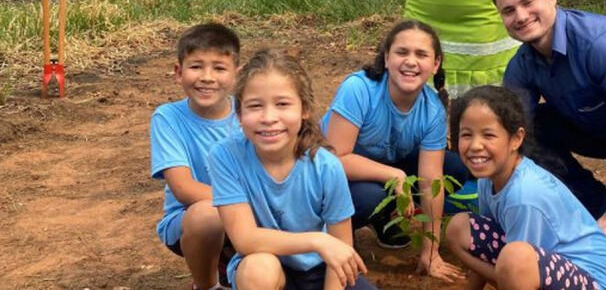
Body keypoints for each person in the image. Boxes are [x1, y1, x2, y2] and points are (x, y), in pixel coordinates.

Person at [493, 0, 606, 253]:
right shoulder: (523, 64)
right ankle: (589, 203)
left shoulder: (603, 46)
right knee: (524, 129)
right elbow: (509, 135)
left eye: (528, 2)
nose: (521, 16)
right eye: (508, 10)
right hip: (595, 131)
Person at [208, 49, 378, 290]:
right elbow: (245, 239)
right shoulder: (225, 156)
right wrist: (317, 240)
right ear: (239, 113)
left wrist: (323, 247)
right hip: (266, 264)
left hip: (321, 268)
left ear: (304, 109)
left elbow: (340, 249)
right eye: (255, 106)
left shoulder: (326, 166)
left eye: (283, 104)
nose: (269, 117)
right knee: (259, 270)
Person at [321, 20, 469, 282]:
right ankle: (331, 232)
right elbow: (335, 159)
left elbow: (431, 180)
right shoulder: (360, 89)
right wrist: (395, 175)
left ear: (435, 65)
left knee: (453, 169)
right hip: (327, 175)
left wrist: (430, 252)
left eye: (421, 54)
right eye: (402, 52)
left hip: (381, 165)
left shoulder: (431, 108)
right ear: (387, 58)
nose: (411, 61)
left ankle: (385, 219)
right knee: (371, 196)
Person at [446, 85, 606, 290]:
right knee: (460, 228)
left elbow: (517, 267)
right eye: (467, 135)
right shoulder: (487, 180)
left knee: (514, 260)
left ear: (516, 139)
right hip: (549, 270)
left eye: (488, 135)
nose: (476, 145)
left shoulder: (524, 195)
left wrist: (503, 275)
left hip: (596, 283)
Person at [150, 22, 241, 290]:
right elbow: (183, 188)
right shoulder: (168, 118)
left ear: (237, 74)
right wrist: (245, 207)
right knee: (207, 215)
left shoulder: (249, 114)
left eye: (219, 68)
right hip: (190, 220)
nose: (207, 77)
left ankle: (230, 264)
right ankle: (206, 285)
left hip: (251, 214)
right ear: (178, 72)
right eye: (196, 66)